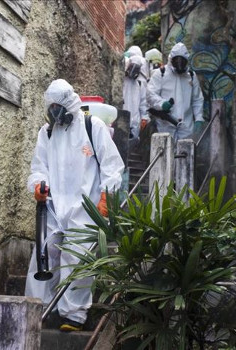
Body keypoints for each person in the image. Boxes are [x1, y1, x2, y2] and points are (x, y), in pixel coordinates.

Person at [25, 79, 124, 331]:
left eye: (59, 106)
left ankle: (73, 316)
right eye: (52, 107)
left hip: (86, 209)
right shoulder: (46, 132)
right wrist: (38, 185)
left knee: (77, 258)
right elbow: (38, 168)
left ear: (70, 102)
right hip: (53, 208)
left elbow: (113, 167)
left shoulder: (93, 126)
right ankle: (38, 308)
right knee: (43, 256)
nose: (55, 112)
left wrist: (106, 197)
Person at [146, 42, 204, 142]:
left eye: (182, 61)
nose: (179, 64)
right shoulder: (161, 73)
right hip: (165, 124)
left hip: (186, 125)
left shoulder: (191, 76)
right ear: (171, 59)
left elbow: (197, 99)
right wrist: (162, 104)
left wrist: (199, 118)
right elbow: (150, 94)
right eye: (176, 60)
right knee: (164, 153)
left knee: (185, 153)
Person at [123, 55, 149, 141]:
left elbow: (143, 102)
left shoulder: (139, 84)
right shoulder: (122, 80)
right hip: (121, 119)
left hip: (135, 122)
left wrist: (144, 117)